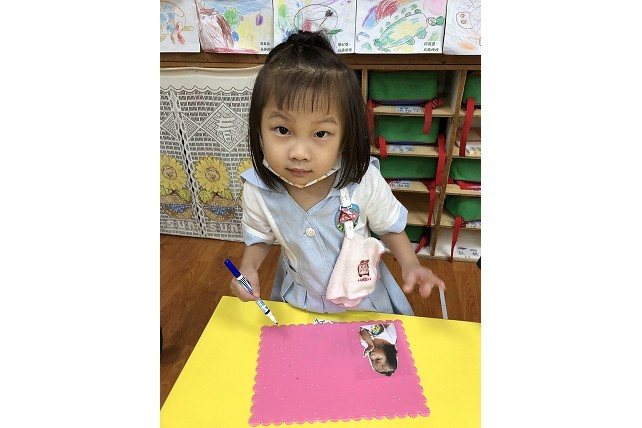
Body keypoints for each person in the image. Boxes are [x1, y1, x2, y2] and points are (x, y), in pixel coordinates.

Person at [229, 30, 445, 315]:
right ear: (258, 128)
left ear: (344, 135)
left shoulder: (363, 179)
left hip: (364, 300)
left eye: (321, 133)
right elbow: (260, 238)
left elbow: (388, 226)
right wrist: (248, 269)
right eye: (282, 130)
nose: (299, 153)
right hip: (301, 301)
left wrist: (410, 264)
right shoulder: (258, 189)